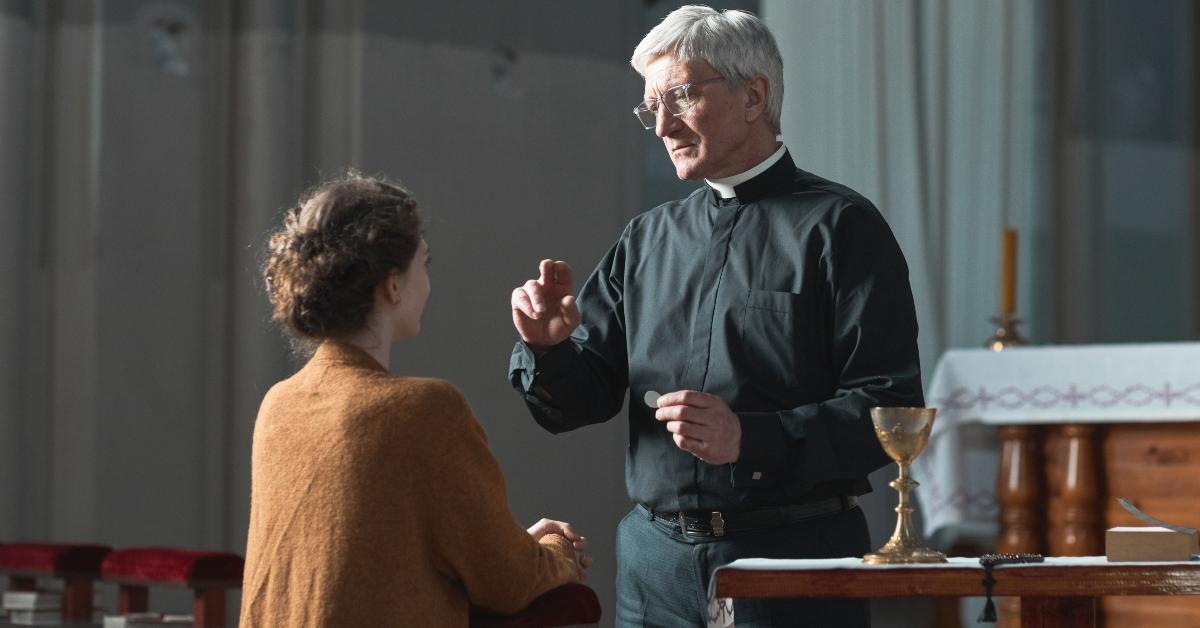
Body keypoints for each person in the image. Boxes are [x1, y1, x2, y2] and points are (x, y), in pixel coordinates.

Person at [507, 6, 922, 627]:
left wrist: (750, 439)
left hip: (792, 558)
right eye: (652, 106)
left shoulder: (842, 228)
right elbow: (579, 403)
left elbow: (892, 409)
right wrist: (549, 350)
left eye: (680, 96)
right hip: (654, 565)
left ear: (754, 96)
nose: (662, 125)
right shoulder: (645, 240)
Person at [242, 173, 590, 627]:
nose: (427, 282)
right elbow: (507, 582)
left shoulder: (278, 405)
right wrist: (555, 552)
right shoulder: (426, 409)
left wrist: (511, 544)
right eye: (423, 263)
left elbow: (358, 562)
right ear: (392, 285)